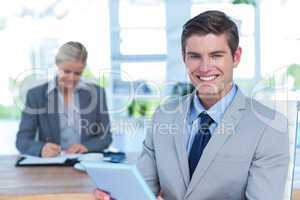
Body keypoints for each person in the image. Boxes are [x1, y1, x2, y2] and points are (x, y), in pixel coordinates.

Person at [94, 10, 289, 200]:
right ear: (184, 57)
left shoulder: (269, 126)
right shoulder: (164, 116)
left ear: (236, 57)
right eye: (195, 56)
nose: (204, 67)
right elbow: (143, 190)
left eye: (216, 55)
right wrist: (116, 196)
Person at [16, 41, 112, 157]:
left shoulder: (97, 93)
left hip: (86, 163)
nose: (71, 78)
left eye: (77, 73)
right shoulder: (36, 95)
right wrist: (41, 149)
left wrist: (86, 147)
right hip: (52, 165)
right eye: (66, 71)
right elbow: (22, 141)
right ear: (57, 64)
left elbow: (106, 137)